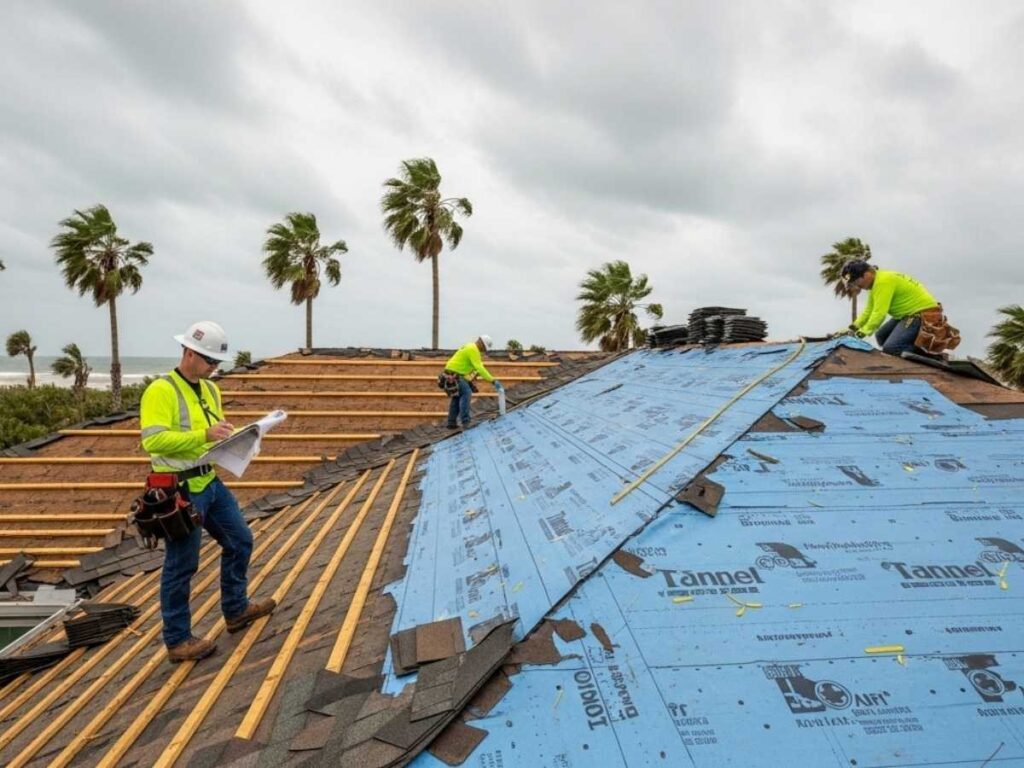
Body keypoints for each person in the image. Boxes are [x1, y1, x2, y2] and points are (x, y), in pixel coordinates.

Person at [139, 321, 276, 662]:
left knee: (240, 540)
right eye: (209, 361)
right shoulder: (161, 390)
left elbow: (215, 434)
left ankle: (236, 609)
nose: (214, 367)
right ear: (189, 353)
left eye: (217, 363)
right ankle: (177, 640)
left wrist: (242, 438)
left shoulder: (210, 389)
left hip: (209, 481)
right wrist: (204, 435)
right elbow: (153, 440)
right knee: (182, 564)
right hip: (179, 488)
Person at [840, 261, 959, 357]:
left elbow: (879, 313)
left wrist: (861, 333)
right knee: (881, 336)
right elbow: (868, 311)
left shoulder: (883, 282)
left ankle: (934, 355)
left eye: (856, 281)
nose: (858, 286)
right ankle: (907, 350)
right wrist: (851, 328)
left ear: (866, 274)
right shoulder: (875, 283)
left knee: (891, 348)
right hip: (907, 314)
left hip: (920, 314)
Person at [442, 335, 503, 429]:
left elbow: (474, 367)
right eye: (484, 348)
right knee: (466, 393)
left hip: (450, 374)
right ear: (481, 343)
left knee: (457, 397)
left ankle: (451, 422)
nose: (483, 351)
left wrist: (471, 379)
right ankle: (466, 422)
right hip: (455, 375)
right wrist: (493, 380)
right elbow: (480, 368)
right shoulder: (473, 349)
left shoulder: (469, 346)